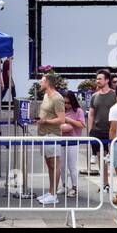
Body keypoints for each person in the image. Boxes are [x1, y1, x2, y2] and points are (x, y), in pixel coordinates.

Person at [35, 74, 66, 205]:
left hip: (52, 135)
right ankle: (50, 191)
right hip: (44, 135)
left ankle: (54, 194)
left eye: (42, 81)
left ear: (47, 82)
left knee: (54, 164)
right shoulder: (46, 96)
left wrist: (45, 121)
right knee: (49, 165)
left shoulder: (57, 98)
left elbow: (61, 119)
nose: (40, 83)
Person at [87, 70, 116, 166]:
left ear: (107, 80)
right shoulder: (94, 96)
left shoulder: (114, 95)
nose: (97, 81)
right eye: (97, 79)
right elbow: (91, 114)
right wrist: (90, 129)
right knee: (100, 161)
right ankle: (104, 180)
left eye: (100, 79)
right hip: (97, 130)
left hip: (110, 130)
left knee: (110, 161)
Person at [60, 90, 85, 198]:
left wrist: (68, 120)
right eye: (64, 103)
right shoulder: (61, 111)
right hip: (61, 140)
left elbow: (81, 125)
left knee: (72, 166)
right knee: (61, 166)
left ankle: (74, 187)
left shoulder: (78, 111)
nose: (66, 105)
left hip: (73, 141)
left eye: (68, 103)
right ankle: (64, 185)